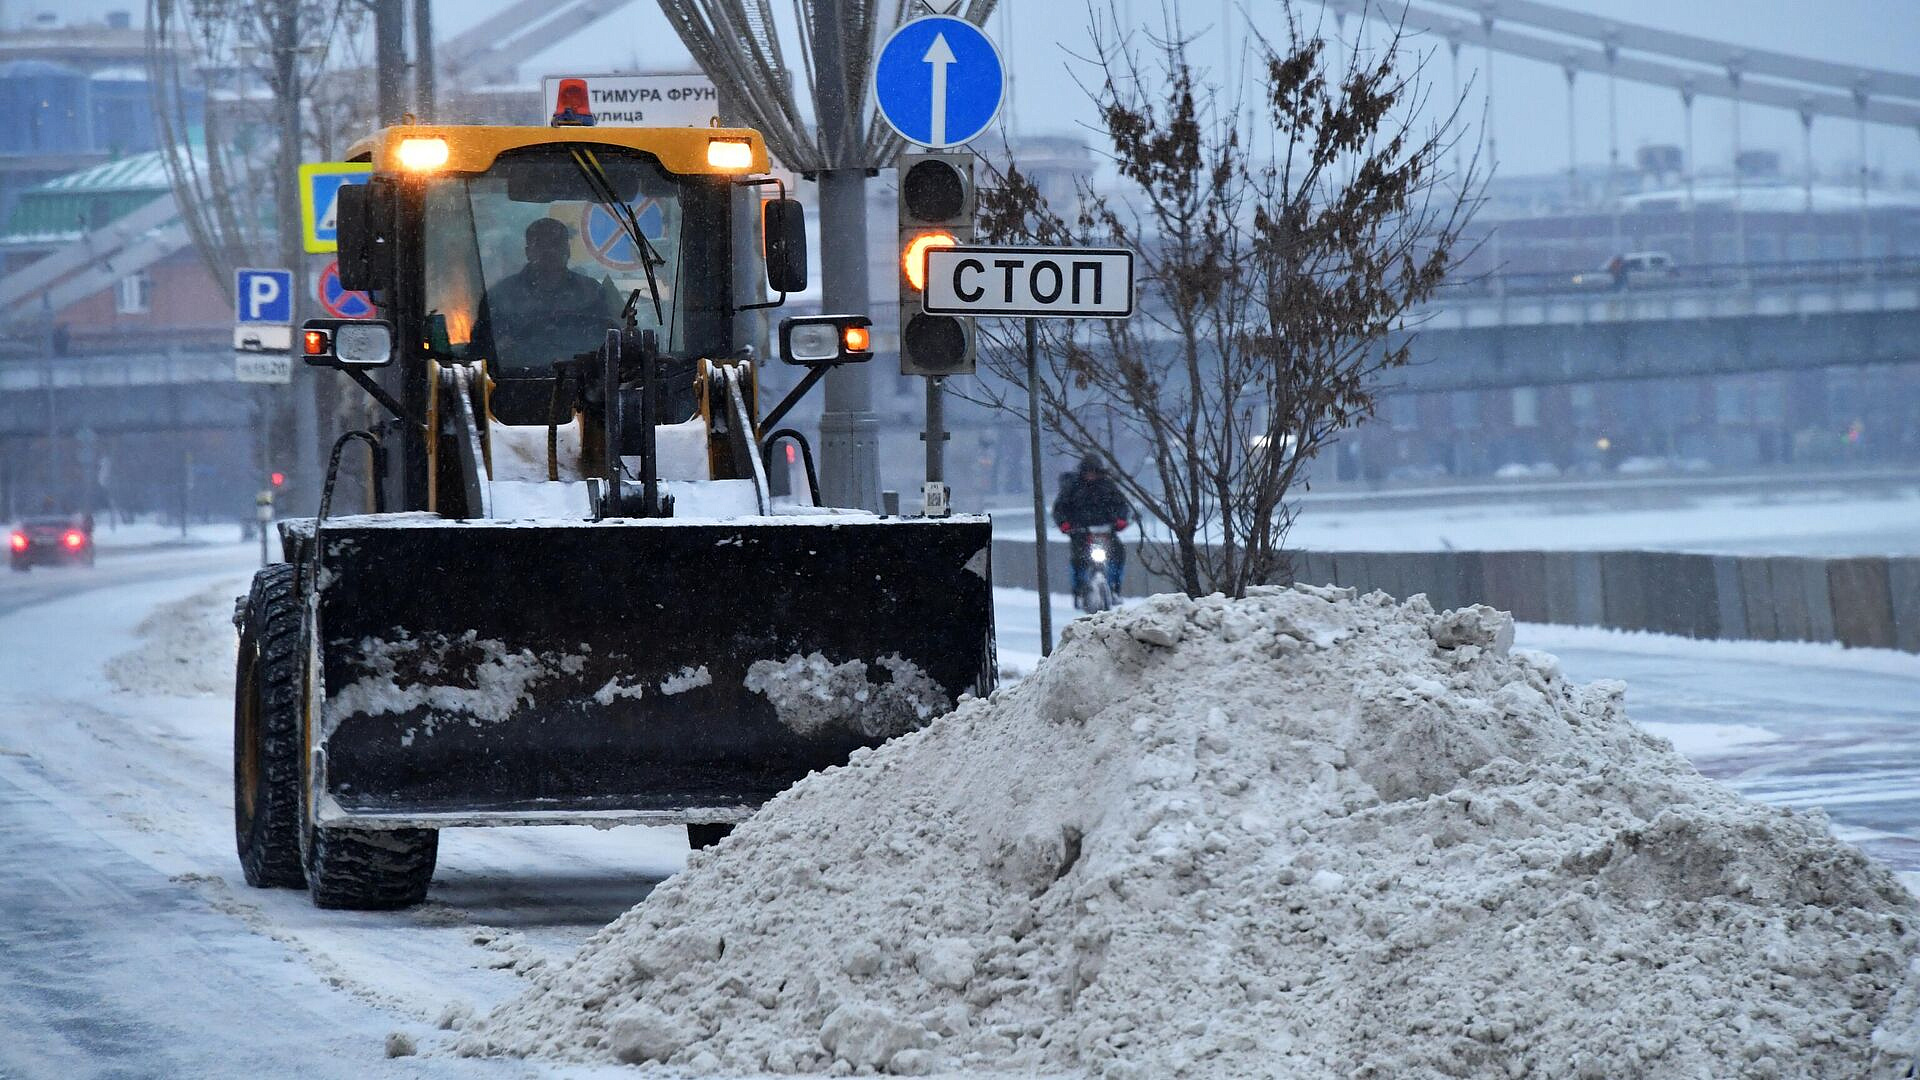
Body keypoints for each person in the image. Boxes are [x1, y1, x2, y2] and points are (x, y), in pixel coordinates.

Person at [474, 217, 623, 371]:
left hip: (583, 380)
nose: (549, 251)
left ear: (568, 250)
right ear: (528, 252)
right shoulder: (499, 297)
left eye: (555, 244)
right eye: (540, 245)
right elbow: (480, 356)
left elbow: (612, 345)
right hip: (516, 380)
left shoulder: (591, 292)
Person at [1051, 454, 1132, 602]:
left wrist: (1121, 520)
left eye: (1094, 472)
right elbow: (1060, 508)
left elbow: (1121, 505)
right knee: (1078, 559)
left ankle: (1115, 587)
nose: (1091, 475)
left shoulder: (1108, 487)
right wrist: (1065, 524)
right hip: (1081, 533)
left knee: (1118, 555)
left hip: (1106, 532)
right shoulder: (1073, 487)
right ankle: (1078, 589)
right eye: (1088, 472)